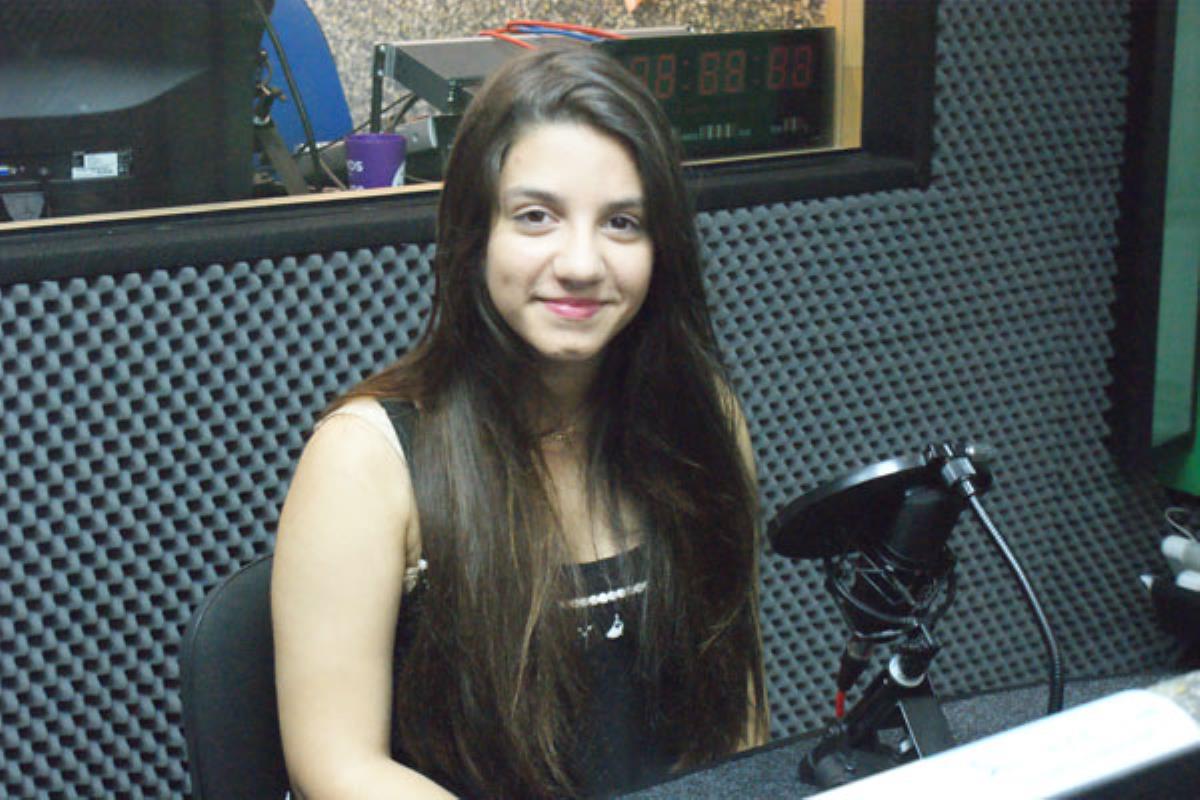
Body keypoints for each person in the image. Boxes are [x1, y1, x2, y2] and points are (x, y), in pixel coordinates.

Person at [271, 43, 768, 799]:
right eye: (537, 217)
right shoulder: (364, 459)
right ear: (475, 235)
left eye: (622, 223)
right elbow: (336, 766)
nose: (581, 263)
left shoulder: (704, 427)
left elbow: (737, 717)